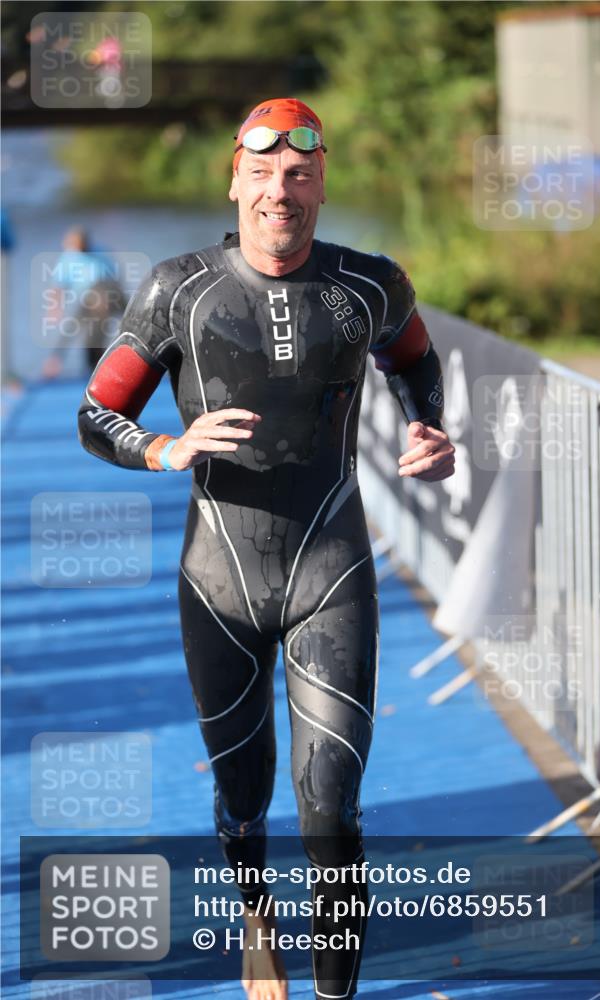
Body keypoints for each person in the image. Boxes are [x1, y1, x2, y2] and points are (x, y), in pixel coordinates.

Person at [77, 98, 455, 1000]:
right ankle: (255, 916)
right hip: (219, 581)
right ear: (234, 180)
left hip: (332, 569)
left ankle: (333, 995)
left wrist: (429, 428)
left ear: (320, 183)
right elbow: (96, 412)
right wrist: (166, 449)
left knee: (331, 807)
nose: (278, 191)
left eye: (297, 175)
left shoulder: (370, 284)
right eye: (262, 174)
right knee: (243, 798)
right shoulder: (178, 288)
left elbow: (413, 361)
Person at [42, 226, 127, 379]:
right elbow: (58, 286)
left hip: (108, 293)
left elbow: (115, 278)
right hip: (89, 298)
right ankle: (56, 363)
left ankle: (104, 364)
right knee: (73, 328)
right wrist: (55, 309)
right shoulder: (69, 258)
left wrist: (121, 307)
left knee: (126, 320)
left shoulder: (100, 251)